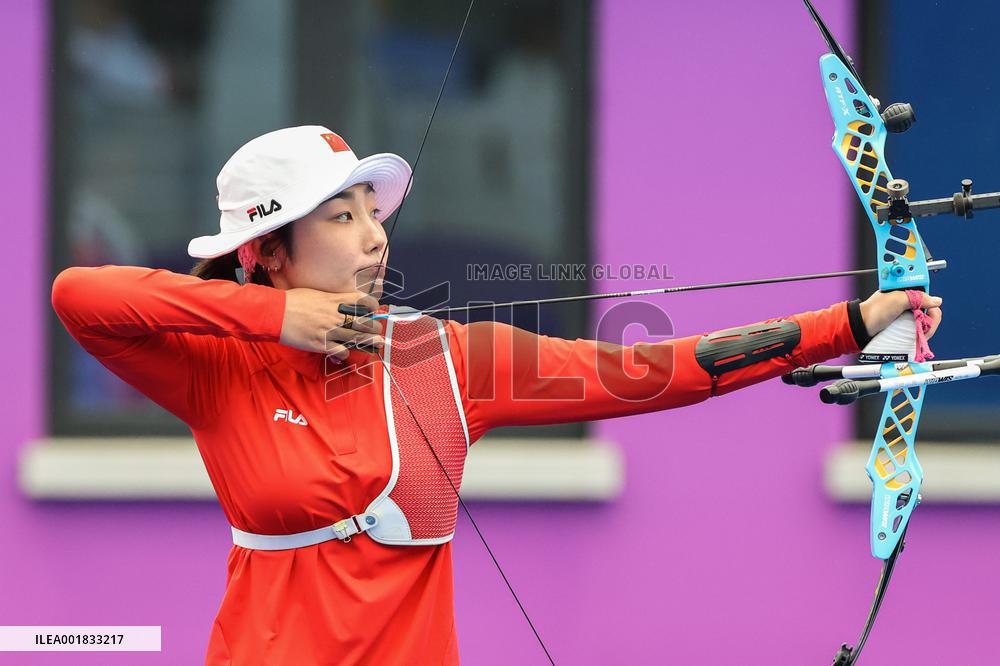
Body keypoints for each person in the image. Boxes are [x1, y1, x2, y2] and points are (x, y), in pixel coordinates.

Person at [50, 126, 943, 665]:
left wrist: (851, 324)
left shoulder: (444, 360)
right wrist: (275, 320)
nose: (373, 238)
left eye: (373, 212)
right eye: (341, 217)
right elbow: (80, 296)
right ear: (271, 250)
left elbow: (656, 371)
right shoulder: (218, 367)